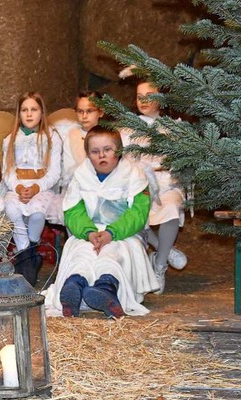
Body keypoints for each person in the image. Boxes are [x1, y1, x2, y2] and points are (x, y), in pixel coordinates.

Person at [44, 126, 158, 318]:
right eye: (95, 152)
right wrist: (88, 232)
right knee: (81, 251)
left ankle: (106, 288)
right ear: (88, 154)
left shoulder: (134, 175)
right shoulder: (81, 176)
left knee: (113, 252)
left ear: (119, 151)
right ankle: (74, 285)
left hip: (122, 233)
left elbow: (138, 213)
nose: (101, 156)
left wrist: (111, 233)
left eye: (107, 150)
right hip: (89, 232)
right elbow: (73, 210)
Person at [121, 81, 188, 294]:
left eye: (150, 95)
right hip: (137, 183)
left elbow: (177, 162)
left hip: (167, 183)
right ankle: (163, 249)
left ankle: (159, 264)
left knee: (170, 208)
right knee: (134, 212)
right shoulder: (126, 130)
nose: (143, 100)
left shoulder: (173, 128)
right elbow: (124, 162)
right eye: (139, 96)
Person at [0, 92, 63, 285]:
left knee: (37, 213)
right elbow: (7, 171)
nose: (29, 114)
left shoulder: (51, 138)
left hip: (41, 187)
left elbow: (54, 173)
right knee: (11, 209)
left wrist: (36, 187)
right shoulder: (10, 140)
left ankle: (30, 249)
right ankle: (28, 254)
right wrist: (17, 187)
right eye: (24, 110)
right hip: (17, 187)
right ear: (19, 113)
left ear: (42, 112)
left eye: (34, 109)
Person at [58, 91, 105, 189]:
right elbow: (67, 170)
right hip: (77, 186)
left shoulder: (108, 136)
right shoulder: (72, 136)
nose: (84, 116)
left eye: (90, 111)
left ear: (101, 112)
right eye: (80, 111)